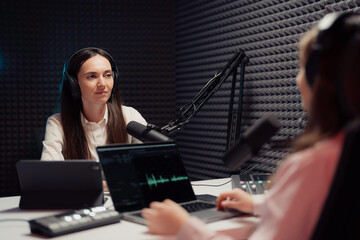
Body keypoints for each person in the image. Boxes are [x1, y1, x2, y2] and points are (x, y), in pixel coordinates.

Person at [141, 12, 360, 239]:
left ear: (321, 79)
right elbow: (317, 204)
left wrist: (184, 227)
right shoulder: (345, 153)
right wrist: (259, 203)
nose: (297, 79)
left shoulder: (311, 164)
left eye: (303, 67)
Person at [41, 47, 146, 161]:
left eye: (107, 75)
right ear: (74, 84)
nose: (102, 84)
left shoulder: (130, 116)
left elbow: (149, 162)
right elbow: (50, 173)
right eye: (92, 76)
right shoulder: (58, 123)